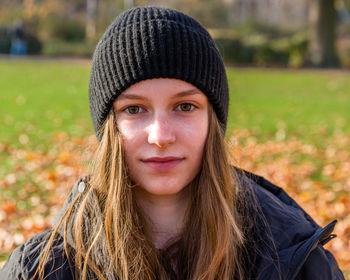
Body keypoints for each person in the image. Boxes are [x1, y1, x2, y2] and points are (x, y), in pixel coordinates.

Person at [0, 6, 345, 280]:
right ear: (109, 126)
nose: (161, 136)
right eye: (134, 109)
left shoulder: (294, 259)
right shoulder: (42, 269)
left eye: (185, 106)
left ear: (213, 119)